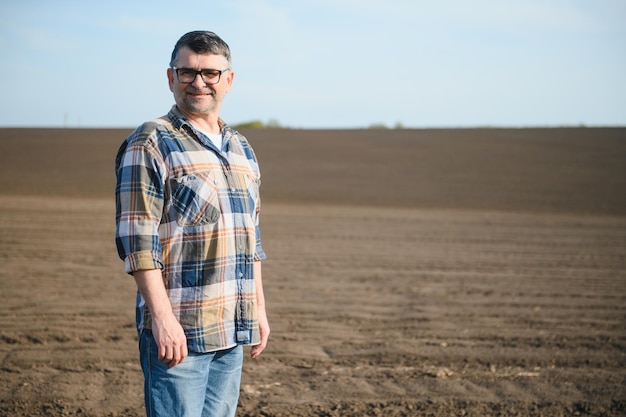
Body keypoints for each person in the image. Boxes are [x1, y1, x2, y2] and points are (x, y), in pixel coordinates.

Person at [115, 31, 269, 417]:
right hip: (180, 336)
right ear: (171, 78)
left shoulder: (241, 149)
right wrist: (163, 321)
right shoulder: (151, 141)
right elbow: (138, 243)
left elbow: (251, 240)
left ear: (228, 80)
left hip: (232, 331)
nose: (199, 82)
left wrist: (259, 310)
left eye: (210, 73)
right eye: (187, 72)